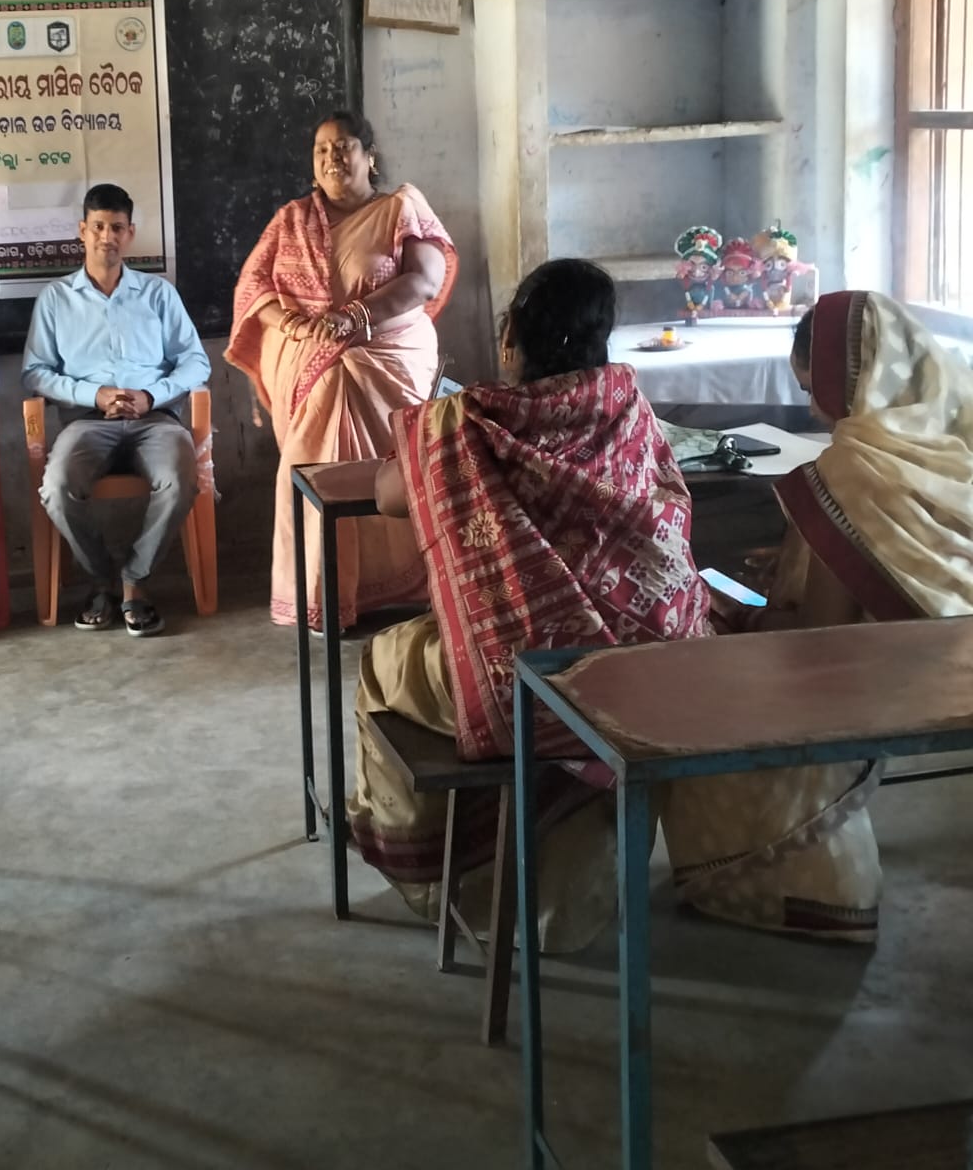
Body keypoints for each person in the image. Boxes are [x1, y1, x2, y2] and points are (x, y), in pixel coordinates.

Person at [347, 260, 711, 950]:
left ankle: (442, 875)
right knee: (575, 686)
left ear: (511, 338)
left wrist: (420, 435)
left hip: (532, 686)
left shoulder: (465, 420)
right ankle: (579, 896)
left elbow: (391, 494)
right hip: (653, 666)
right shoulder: (627, 404)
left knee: (387, 660)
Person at [660, 290, 973, 940]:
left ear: (847, 380)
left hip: (896, 685)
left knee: (695, 682)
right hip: (955, 666)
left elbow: (819, 642)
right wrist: (800, 562)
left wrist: (743, 614)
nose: (810, 409)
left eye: (812, 389)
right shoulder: (955, 446)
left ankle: (786, 884)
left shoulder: (850, 470)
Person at [225, 111, 456, 630]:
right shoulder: (291, 220)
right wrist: (292, 324)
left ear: (368, 155)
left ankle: (405, 590)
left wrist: (355, 318)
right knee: (308, 473)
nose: (332, 156)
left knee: (397, 474)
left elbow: (425, 280)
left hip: (388, 364)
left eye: (343, 145)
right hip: (310, 365)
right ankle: (323, 596)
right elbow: (253, 288)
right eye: (321, 149)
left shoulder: (400, 207)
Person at [22, 184, 212, 637]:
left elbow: (196, 362)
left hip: (154, 420)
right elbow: (34, 373)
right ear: (82, 231)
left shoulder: (158, 293)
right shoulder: (56, 299)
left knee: (181, 478)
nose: (107, 237)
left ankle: (134, 581)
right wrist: (95, 395)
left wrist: (150, 394)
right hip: (87, 422)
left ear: (130, 234)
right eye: (99, 227)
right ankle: (102, 577)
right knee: (57, 487)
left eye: (117, 228)